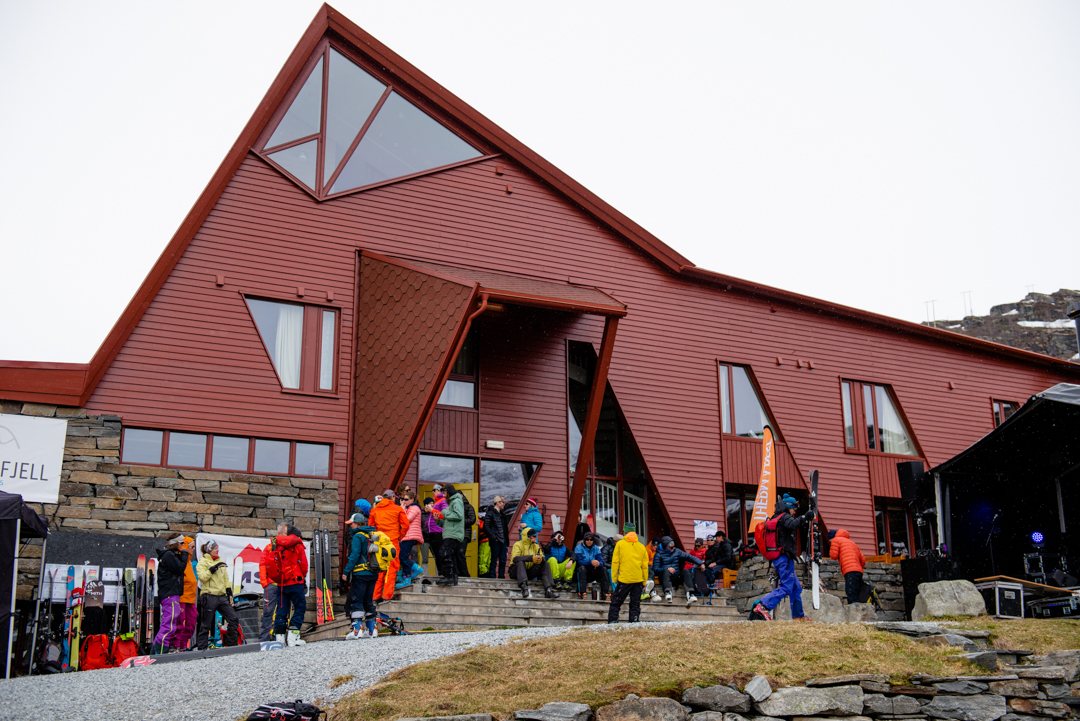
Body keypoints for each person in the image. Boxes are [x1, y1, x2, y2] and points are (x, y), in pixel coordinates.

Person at [752, 495, 814, 621]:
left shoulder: (776, 517)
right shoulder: (785, 516)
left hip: (780, 557)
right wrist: (805, 517)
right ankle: (763, 606)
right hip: (783, 557)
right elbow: (793, 524)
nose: (794, 512)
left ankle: (798, 616)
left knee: (796, 587)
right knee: (786, 586)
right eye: (794, 509)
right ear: (789, 507)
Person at [266, 522, 309, 646]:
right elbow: (304, 566)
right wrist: (302, 577)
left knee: (281, 610)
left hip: (281, 583)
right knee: (300, 607)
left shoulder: (276, 545)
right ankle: (292, 637)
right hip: (295, 582)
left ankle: (279, 638)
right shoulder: (297, 545)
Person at [195, 540, 240, 649]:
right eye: (215, 548)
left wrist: (229, 591)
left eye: (218, 548)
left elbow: (225, 578)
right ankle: (201, 648)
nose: (218, 550)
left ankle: (231, 645)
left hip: (221, 596)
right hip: (209, 595)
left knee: (233, 619)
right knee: (206, 624)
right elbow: (202, 577)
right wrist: (212, 569)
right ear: (209, 550)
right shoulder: (203, 561)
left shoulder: (220, 560)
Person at [151, 535, 191, 654]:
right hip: (169, 593)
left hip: (171, 593)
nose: (183, 546)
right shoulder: (169, 555)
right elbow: (179, 569)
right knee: (168, 625)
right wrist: (184, 555)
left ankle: (155, 652)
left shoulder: (171, 555)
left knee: (170, 623)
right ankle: (160, 651)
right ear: (175, 543)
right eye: (181, 543)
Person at [342, 513, 379, 639]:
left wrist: (346, 572)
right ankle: (372, 629)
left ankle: (357, 629)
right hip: (373, 573)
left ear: (357, 523)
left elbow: (355, 555)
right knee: (368, 600)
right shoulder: (371, 534)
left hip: (360, 573)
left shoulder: (358, 536)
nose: (350, 526)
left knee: (357, 600)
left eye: (351, 524)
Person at [368, 489, 409, 601]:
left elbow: (371, 528)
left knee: (379, 568)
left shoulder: (375, 510)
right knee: (391, 569)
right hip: (392, 542)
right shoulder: (397, 509)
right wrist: (400, 536)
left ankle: (375, 596)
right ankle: (387, 595)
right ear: (392, 497)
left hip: (379, 542)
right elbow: (405, 525)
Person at [607, 527, 649, 623]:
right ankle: (634, 620)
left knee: (616, 601)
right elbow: (645, 566)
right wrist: (644, 581)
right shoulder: (641, 546)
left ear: (624, 532)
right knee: (635, 603)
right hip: (638, 579)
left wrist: (614, 578)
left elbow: (615, 562)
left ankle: (613, 620)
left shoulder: (620, 544)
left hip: (625, 579)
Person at [652, 536, 704, 604]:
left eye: (674, 546)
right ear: (666, 547)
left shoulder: (676, 551)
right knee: (666, 571)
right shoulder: (658, 554)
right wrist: (667, 568)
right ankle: (667, 592)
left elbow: (689, 557)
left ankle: (690, 593)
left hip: (675, 576)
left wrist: (700, 563)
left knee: (686, 571)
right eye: (671, 547)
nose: (673, 548)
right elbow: (655, 569)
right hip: (664, 578)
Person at [511, 527, 558, 599]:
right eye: (534, 536)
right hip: (515, 571)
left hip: (529, 572)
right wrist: (531, 558)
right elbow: (515, 559)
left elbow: (543, 557)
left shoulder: (536, 546)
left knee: (545, 564)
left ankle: (549, 589)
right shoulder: (517, 544)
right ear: (529, 537)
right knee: (520, 562)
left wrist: (540, 559)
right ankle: (524, 588)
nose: (536, 538)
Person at [435, 484, 465, 586]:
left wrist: (444, 512)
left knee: (445, 553)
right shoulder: (452, 502)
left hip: (453, 533)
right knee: (451, 555)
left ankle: (449, 576)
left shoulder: (456, 501)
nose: (443, 495)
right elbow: (450, 520)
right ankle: (453, 577)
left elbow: (458, 516)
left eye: (444, 493)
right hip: (450, 532)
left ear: (449, 492)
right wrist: (438, 520)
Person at [829, 528, 867, 604]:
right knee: (856, 592)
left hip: (849, 570)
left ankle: (853, 609)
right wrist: (858, 568)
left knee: (851, 592)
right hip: (858, 570)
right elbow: (863, 560)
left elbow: (833, 556)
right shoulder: (853, 543)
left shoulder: (836, 540)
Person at [397, 489, 424, 588]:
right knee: (402, 556)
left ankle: (407, 578)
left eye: (406, 499)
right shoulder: (410, 508)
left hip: (410, 536)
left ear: (412, 499)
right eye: (403, 499)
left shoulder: (414, 508)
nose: (404, 501)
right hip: (407, 536)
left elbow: (406, 519)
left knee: (403, 557)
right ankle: (416, 568)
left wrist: (402, 508)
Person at [574, 532, 609, 599]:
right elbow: (579, 562)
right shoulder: (578, 548)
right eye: (587, 539)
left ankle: (605, 593)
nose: (589, 541)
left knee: (603, 569)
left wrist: (598, 563)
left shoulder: (596, 548)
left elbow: (601, 561)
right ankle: (583, 592)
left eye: (591, 539)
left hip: (593, 570)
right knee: (582, 568)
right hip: (582, 572)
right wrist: (590, 562)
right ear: (584, 540)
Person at [483, 496, 509, 579]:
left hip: (502, 540)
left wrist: (506, 540)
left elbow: (505, 529)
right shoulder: (490, 513)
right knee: (494, 560)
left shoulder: (502, 515)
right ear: (497, 503)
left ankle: (501, 577)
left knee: (503, 560)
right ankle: (492, 577)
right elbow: (486, 527)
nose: (504, 504)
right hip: (496, 541)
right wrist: (494, 537)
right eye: (502, 502)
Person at [424, 491, 447, 576]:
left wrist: (432, 510)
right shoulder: (437, 502)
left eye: (435, 490)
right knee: (437, 555)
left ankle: (443, 573)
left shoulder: (443, 500)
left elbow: (443, 515)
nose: (433, 492)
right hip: (432, 532)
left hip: (438, 531)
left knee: (440, 554)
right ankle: (440, 573)